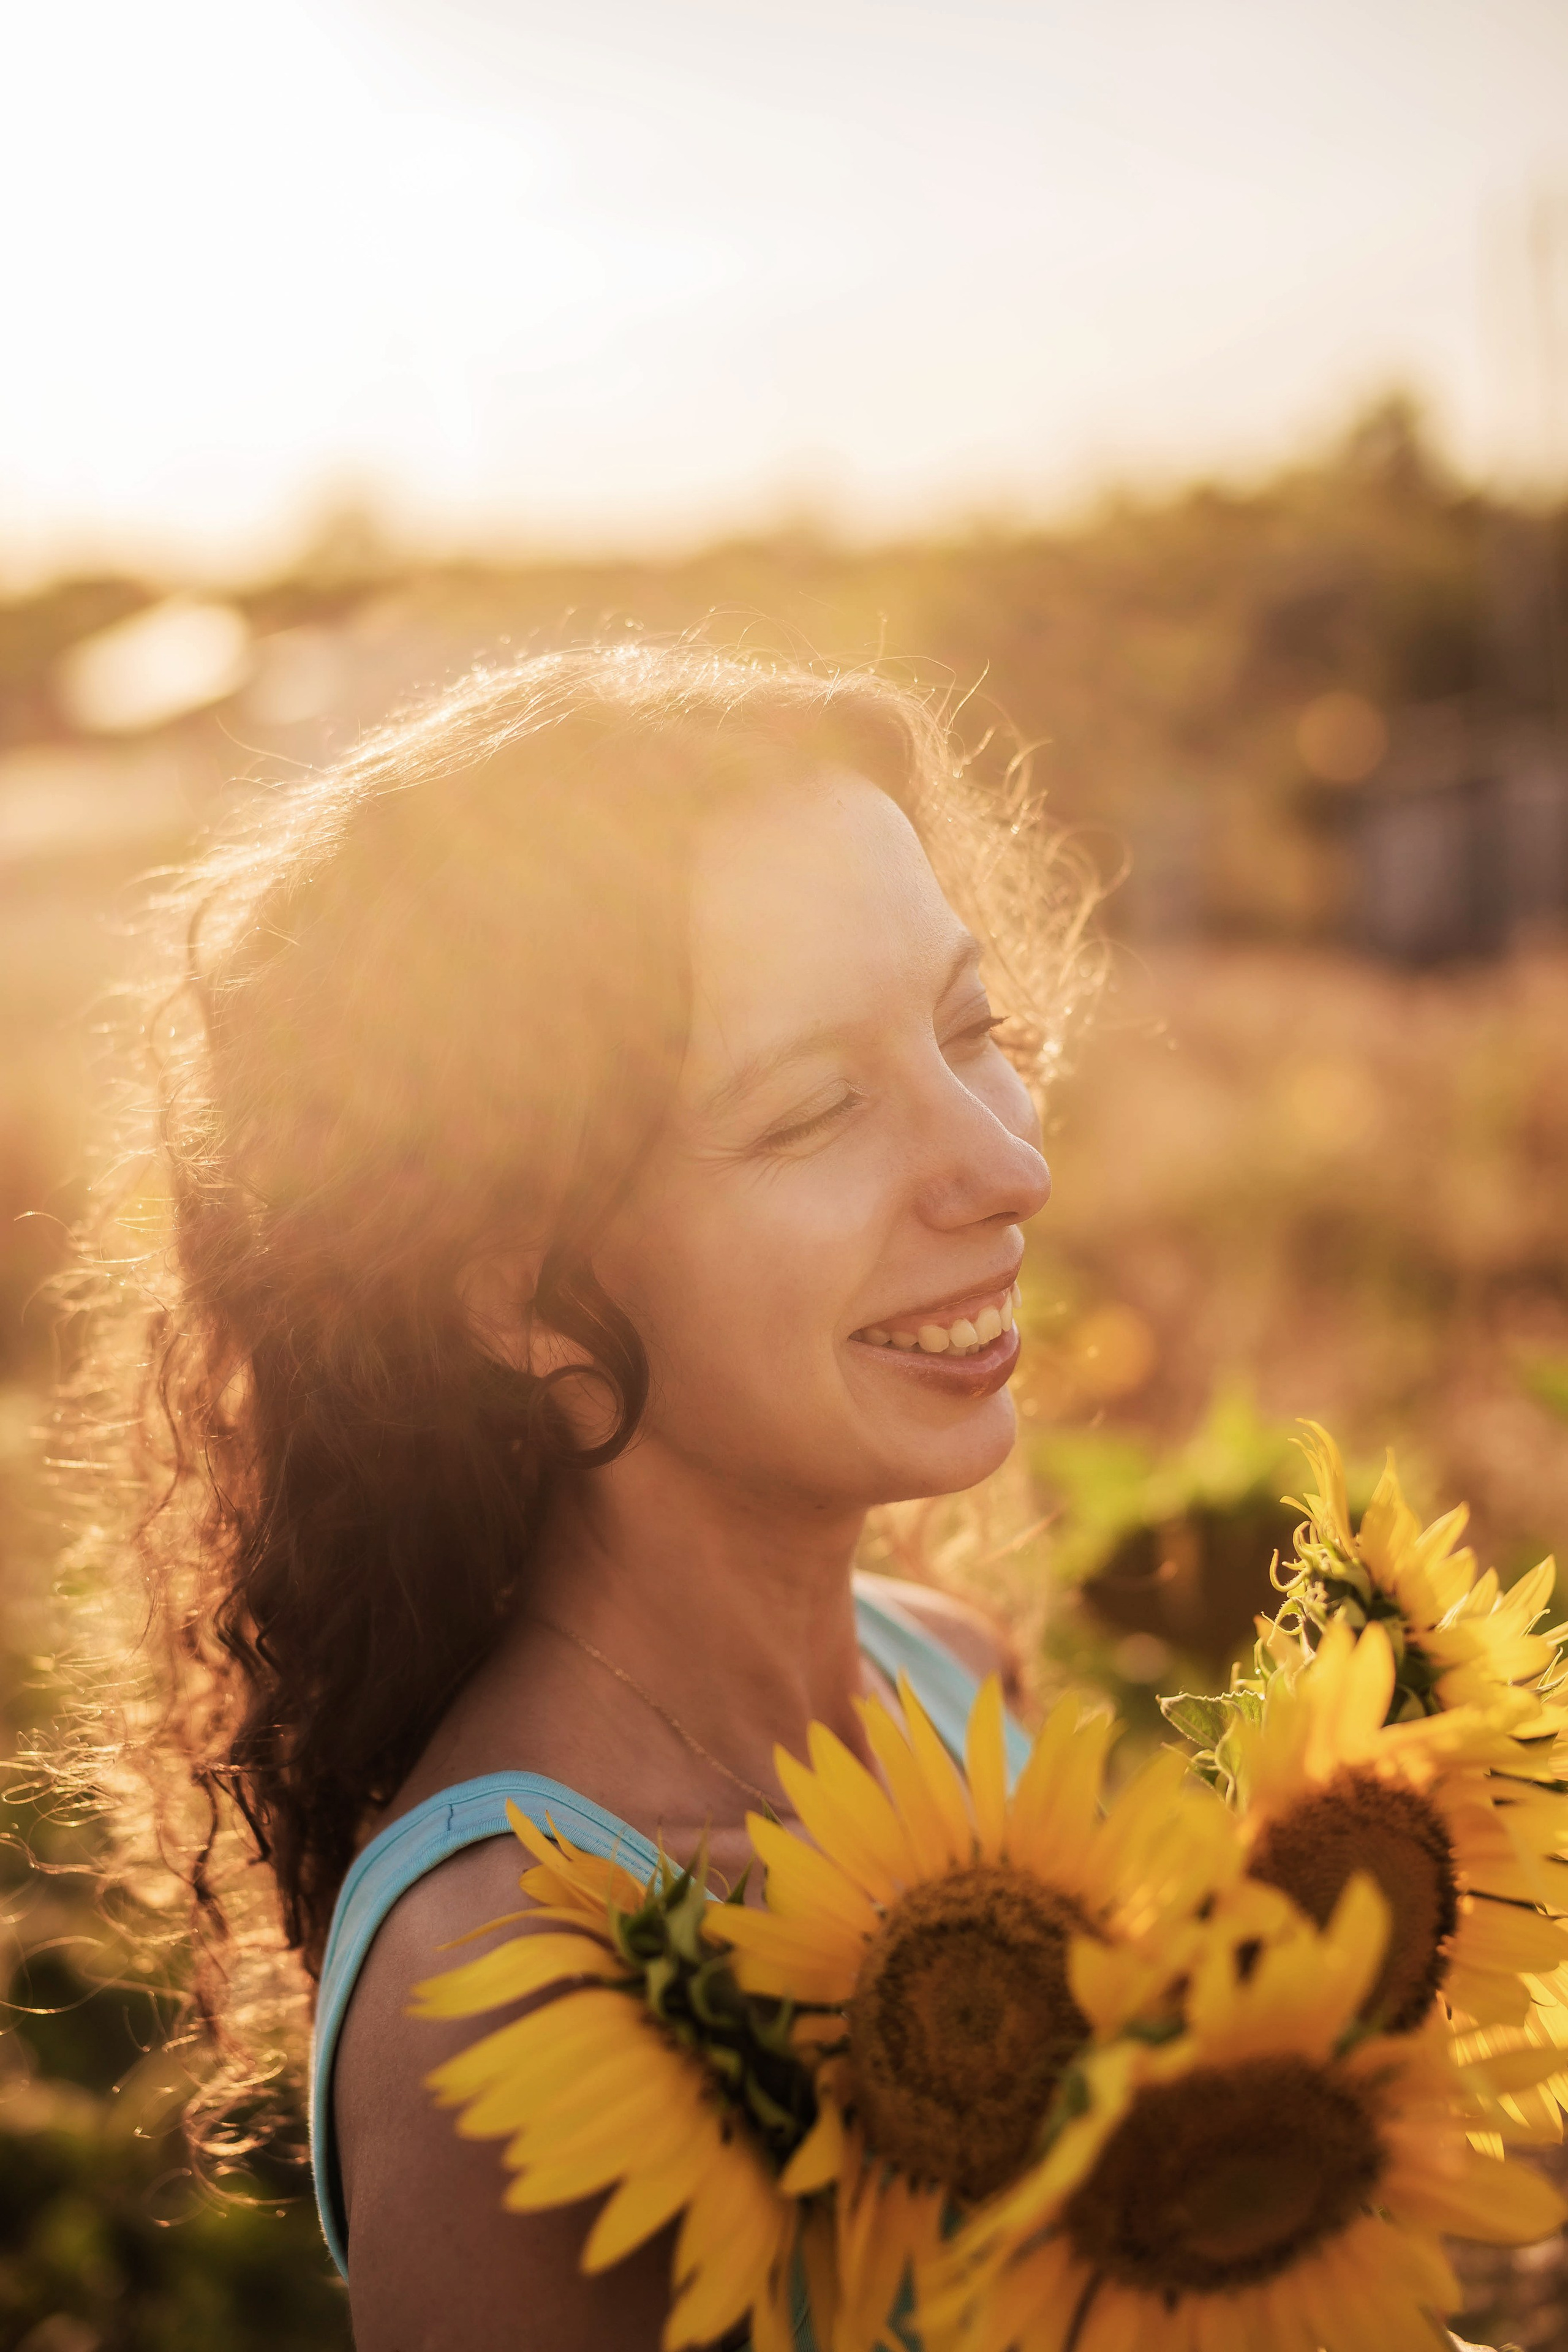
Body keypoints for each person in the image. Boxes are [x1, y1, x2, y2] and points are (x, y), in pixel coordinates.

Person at [95, 645, 1085, 2349]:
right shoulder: (508, 1984)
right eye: (817, 1110)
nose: (1009, 1167)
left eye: (967, 1026)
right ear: (527, 1299)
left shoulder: (958, 1681)